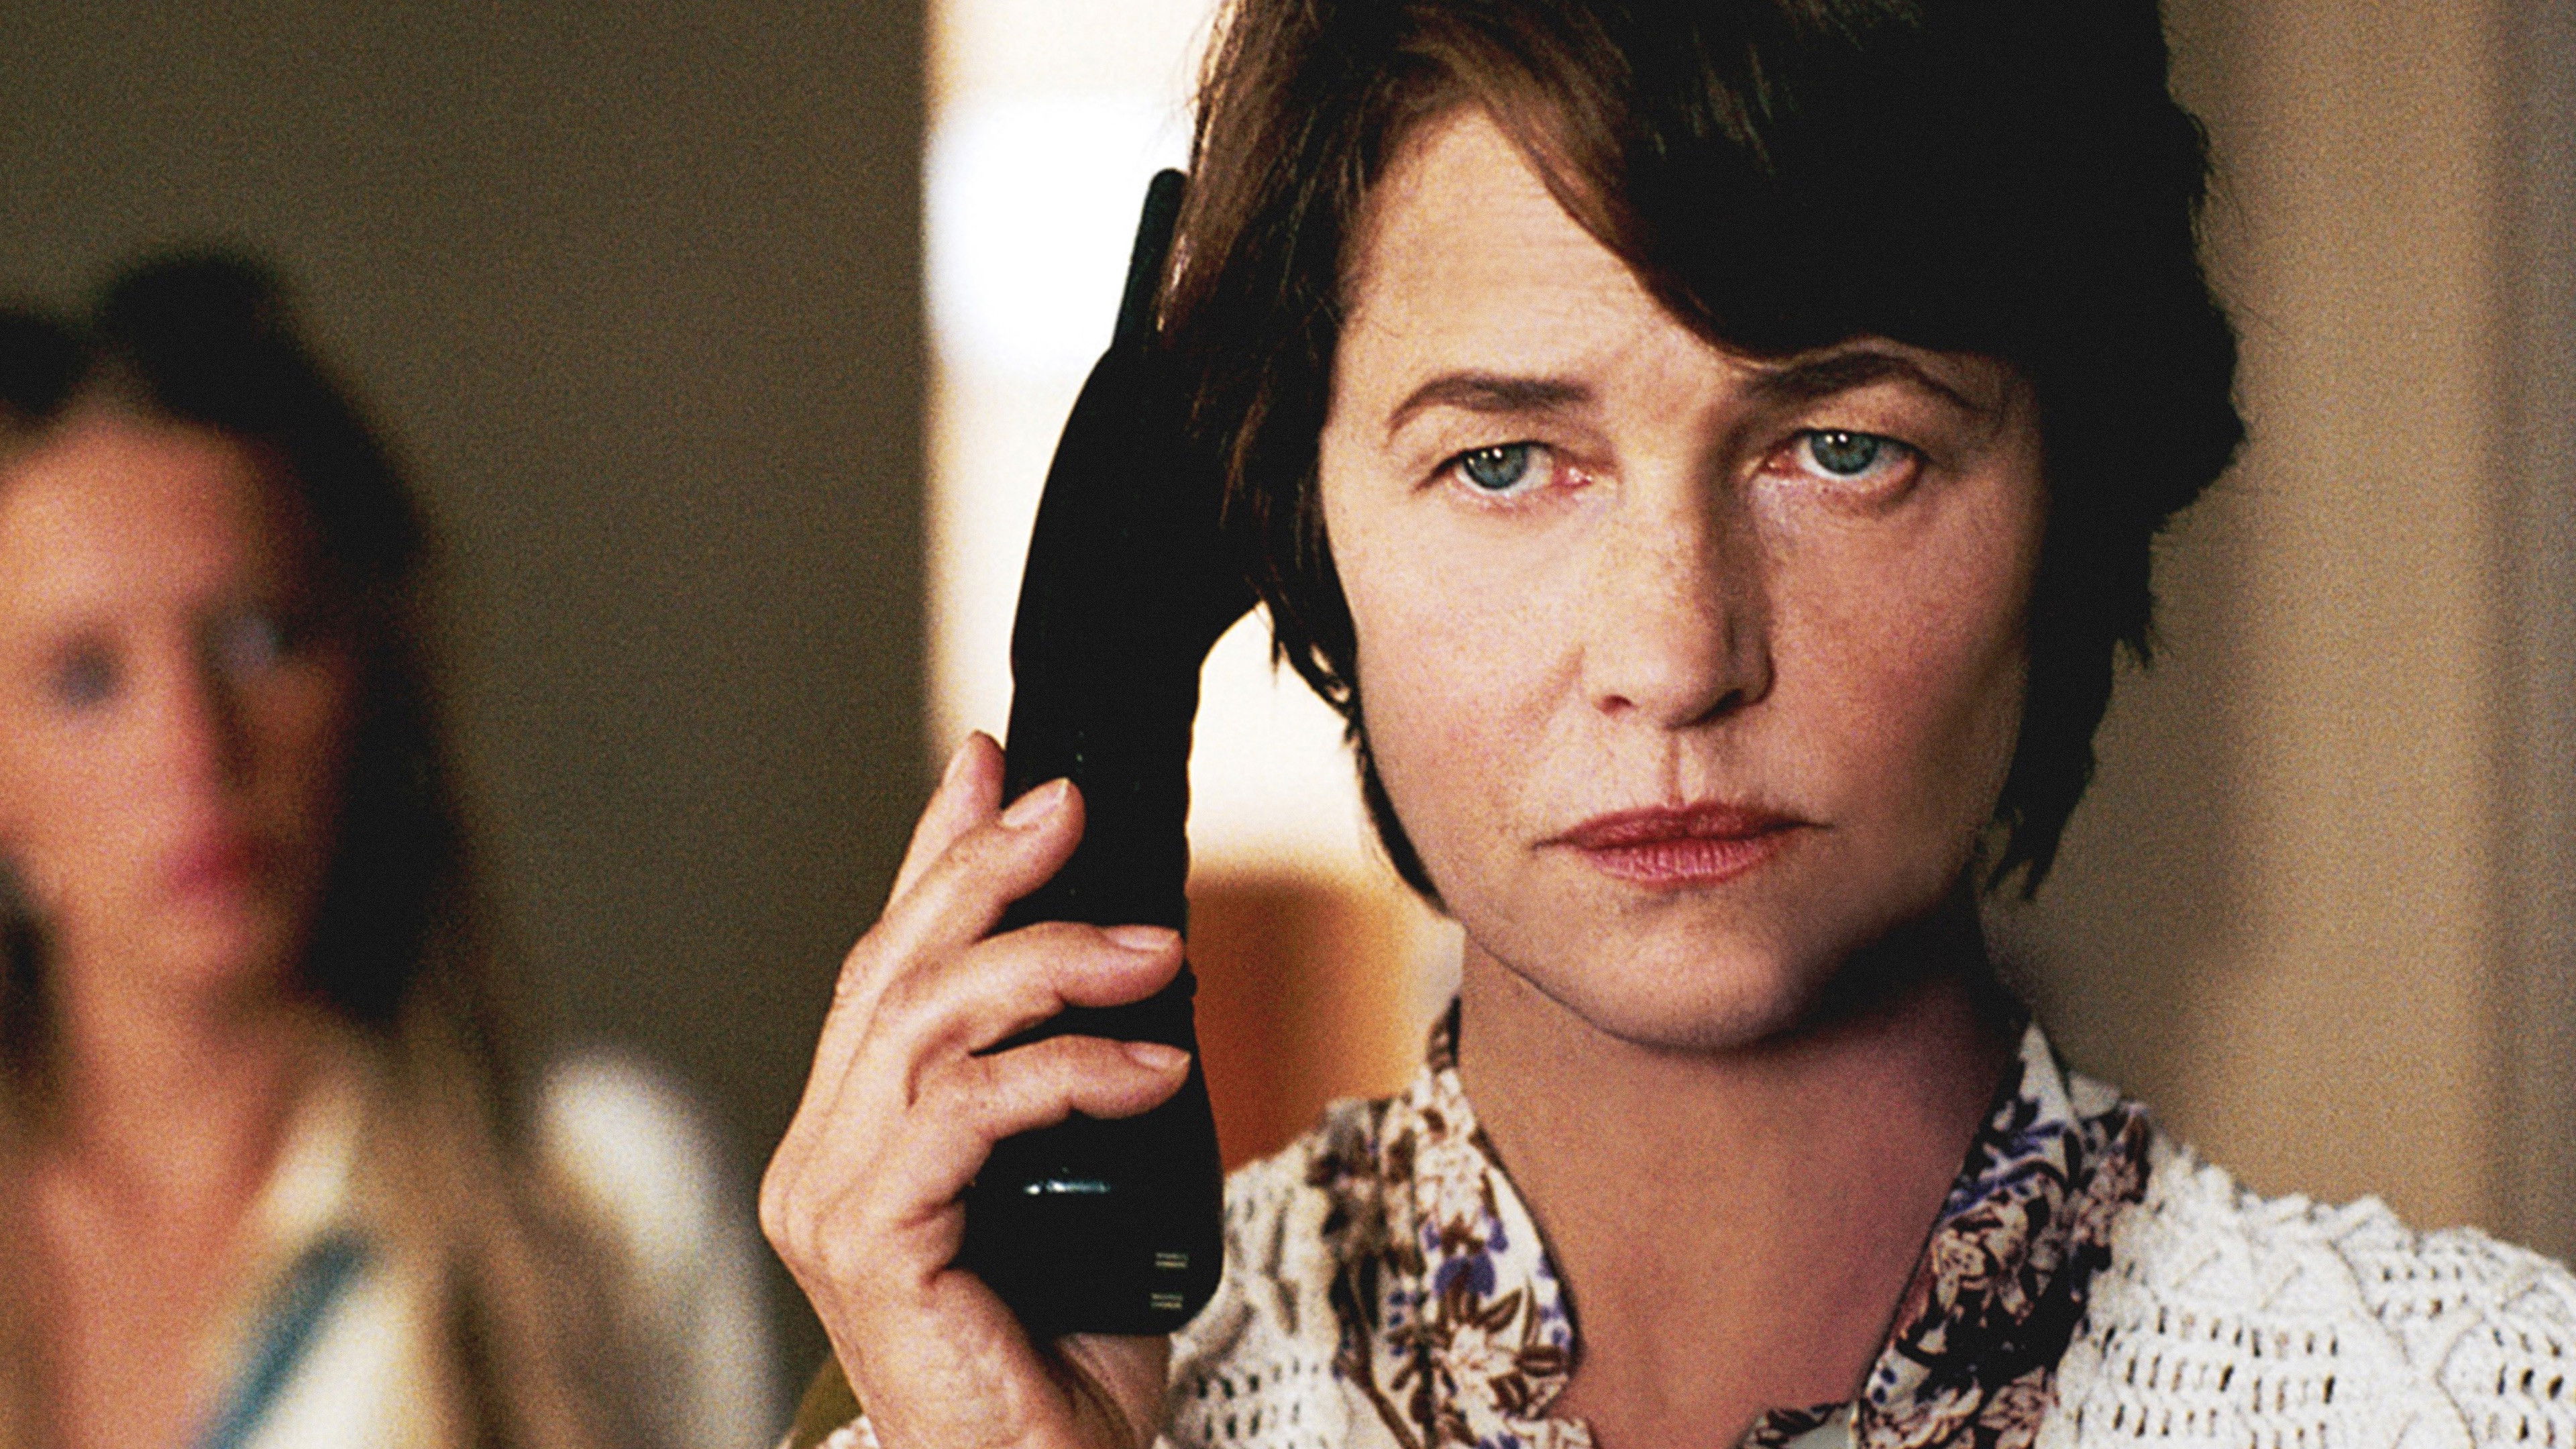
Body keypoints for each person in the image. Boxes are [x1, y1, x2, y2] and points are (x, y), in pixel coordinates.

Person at [761, 1, 2576, 1445]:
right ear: (1290, 524)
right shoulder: (977, 1423)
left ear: (2070, 491)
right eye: (1504, 461)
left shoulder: (2488, 1404)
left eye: (1842, 448)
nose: (1678, 653)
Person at [0, 254, 775, 1449]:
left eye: (260, 640)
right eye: (86, 679)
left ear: (371, 678)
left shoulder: (601, 1192)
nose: (194, 749)